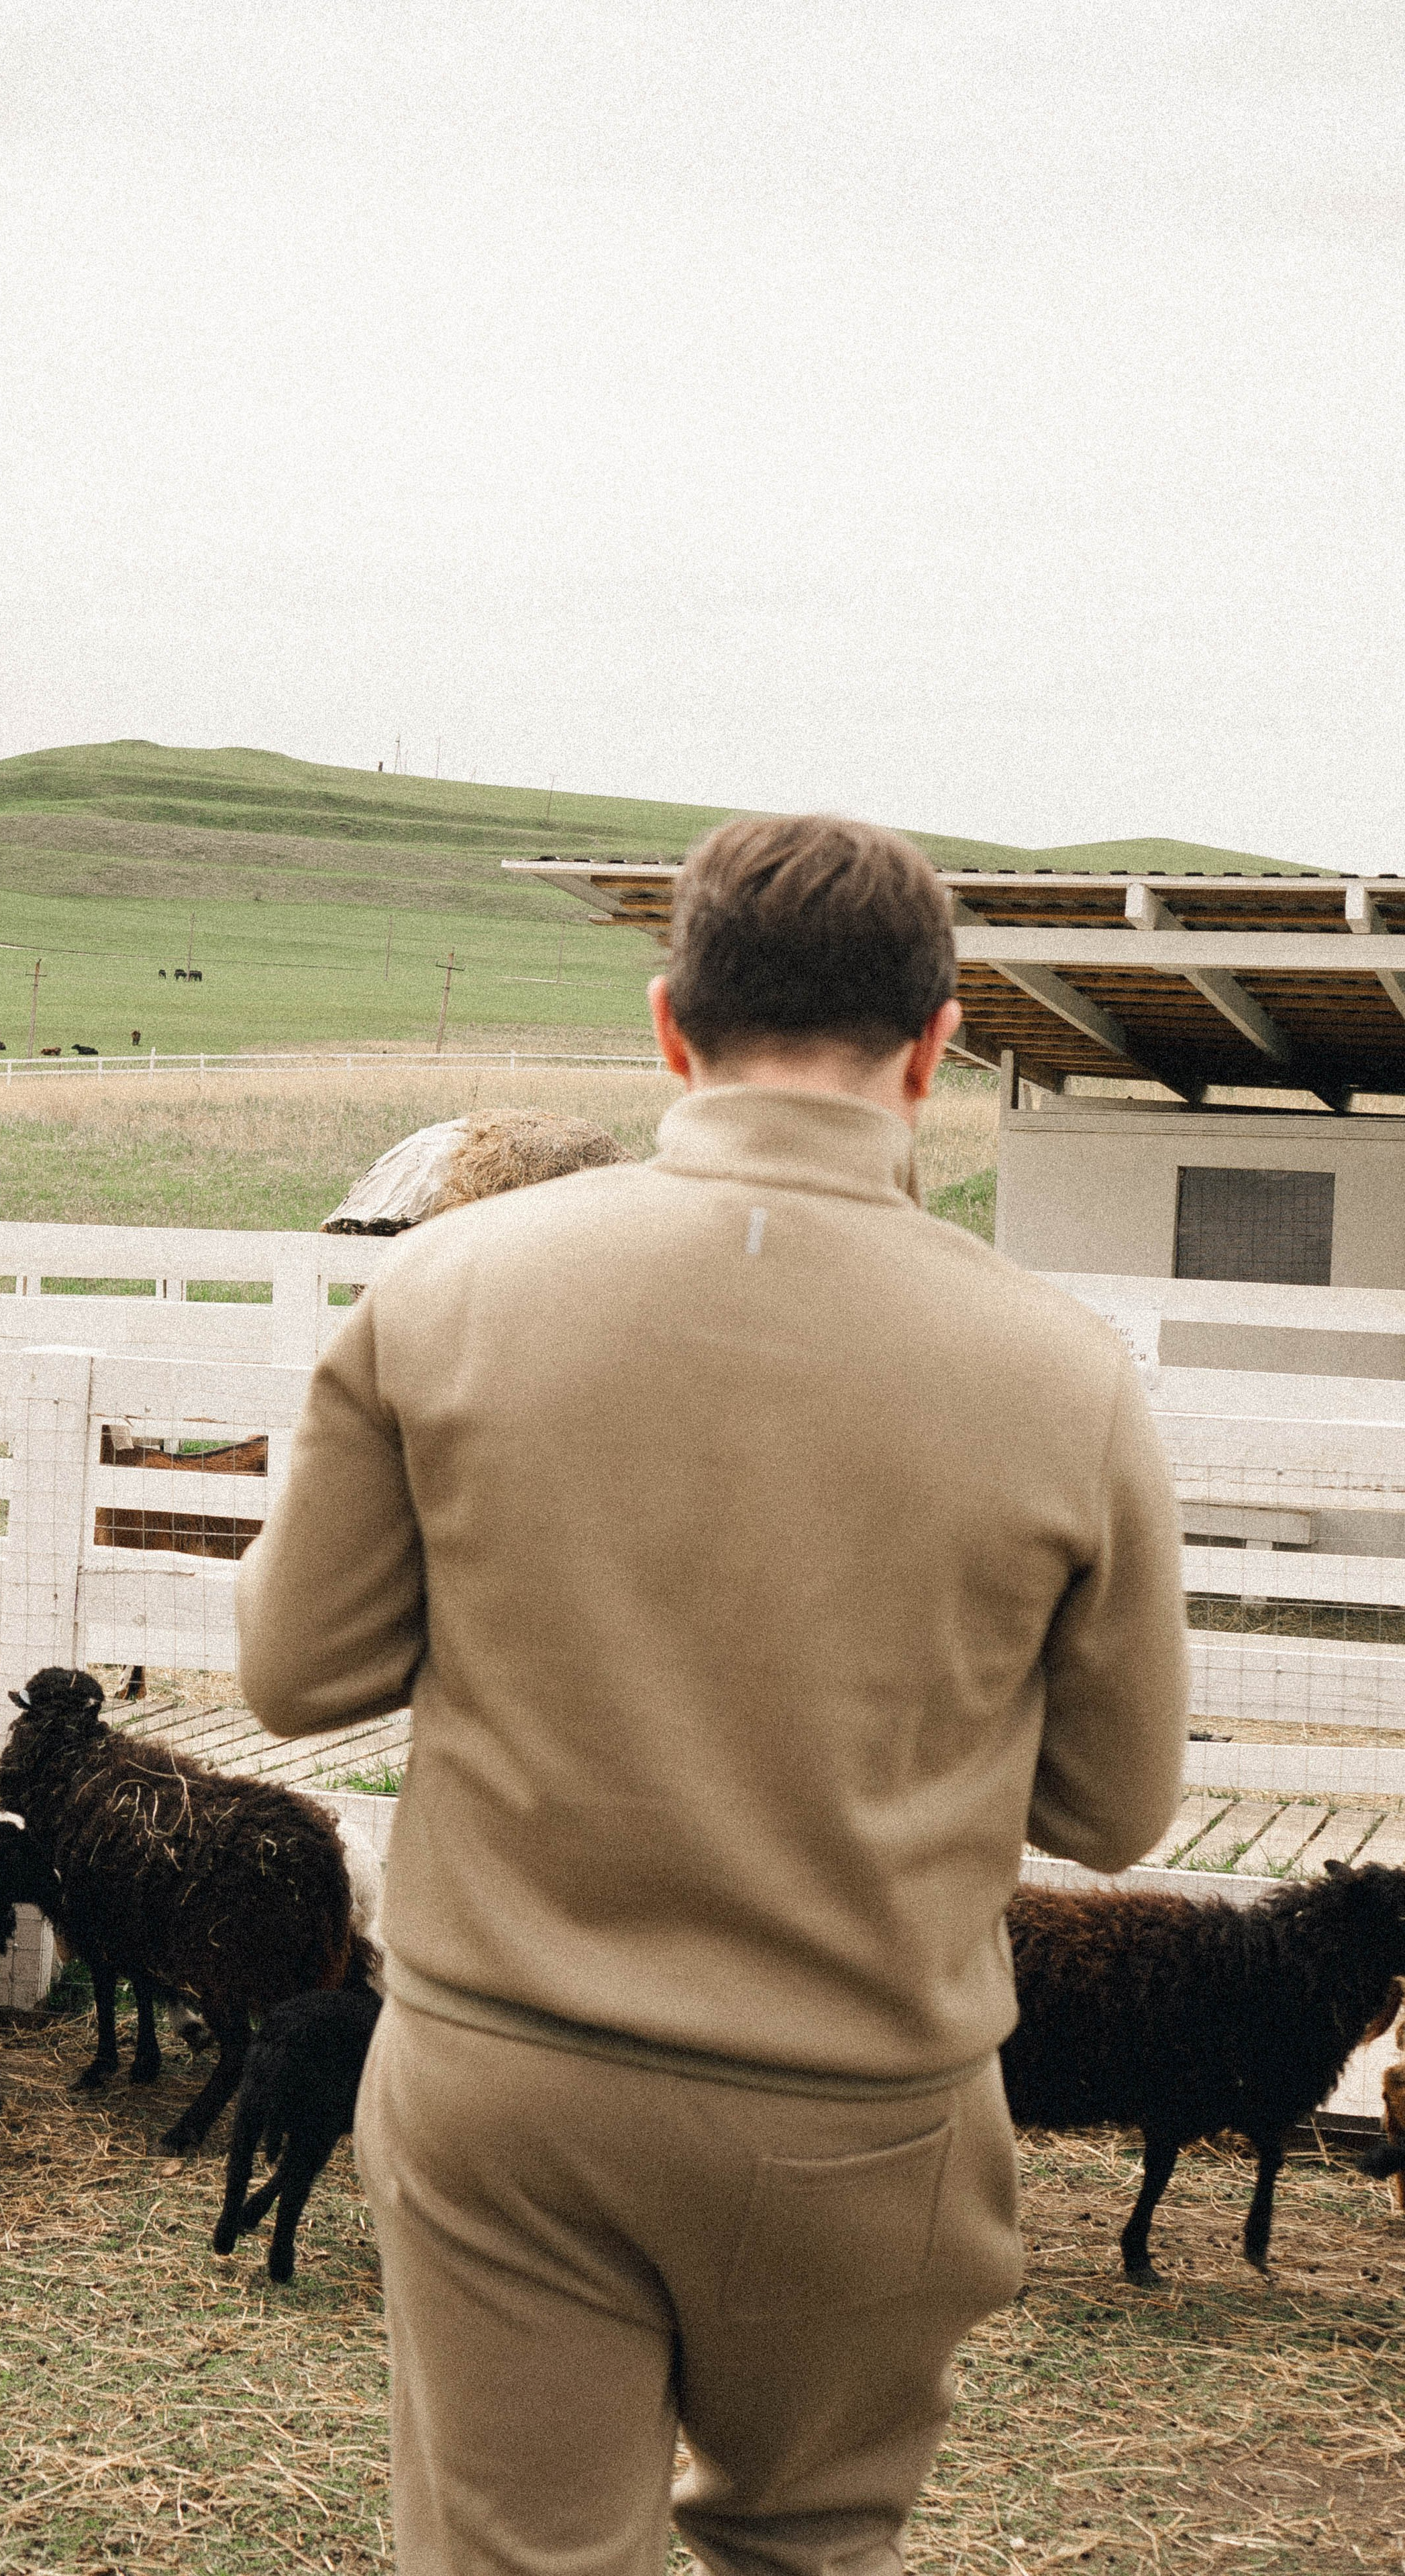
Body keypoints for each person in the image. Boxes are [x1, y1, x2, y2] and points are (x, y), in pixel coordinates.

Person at [235, 814, 1188, 2576]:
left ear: (674, 1026)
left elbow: (297, 1675)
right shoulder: (1069, 1375)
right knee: (810, 2548)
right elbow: (1118, 1811)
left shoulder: (446, 1288)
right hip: (871, 2118)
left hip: (512, 2084)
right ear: (941, 1040)